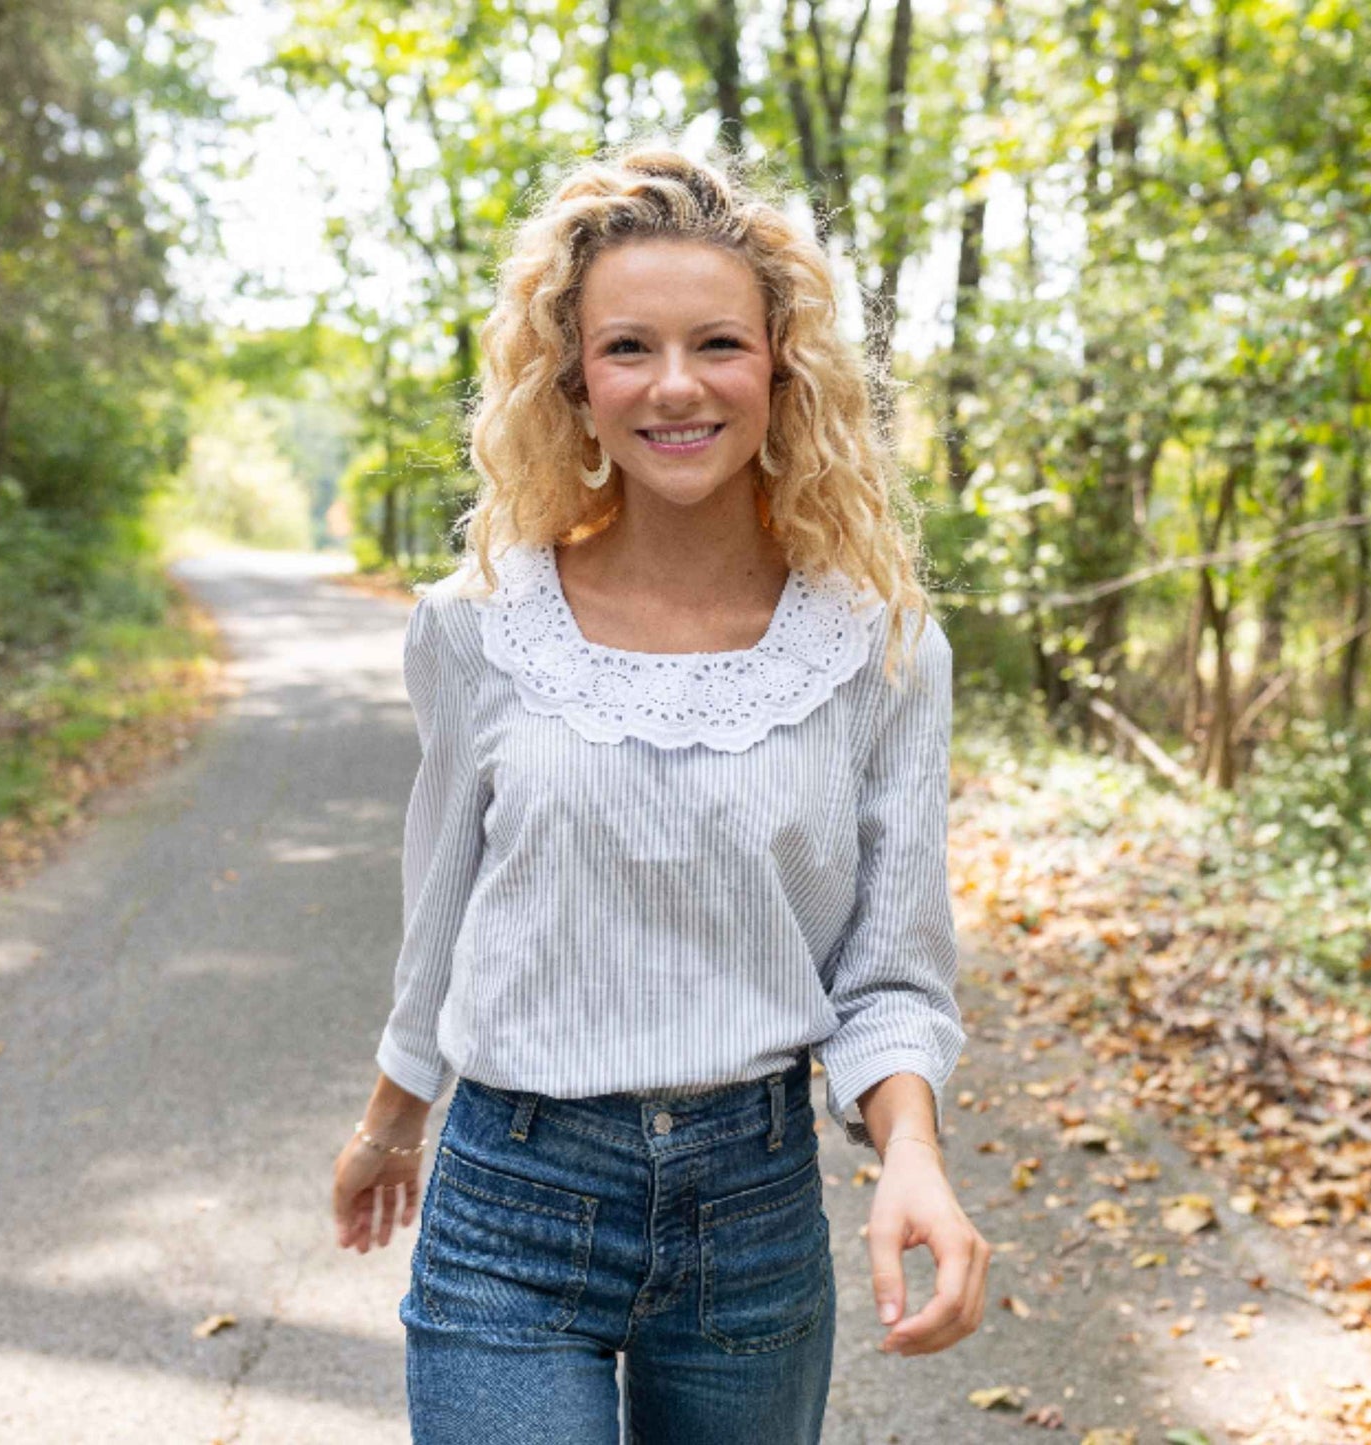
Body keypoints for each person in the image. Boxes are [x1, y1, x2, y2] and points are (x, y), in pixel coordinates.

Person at [331, 141, 989, 1445]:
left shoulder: (882, 649)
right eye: (628, 347)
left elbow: (891, 974)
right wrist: (391, 1121)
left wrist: (911, 1153)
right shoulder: (477, 626)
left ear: (782, 370)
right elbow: (445, 906)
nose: (675, 384)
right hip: (510, 1204)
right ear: (573, 382)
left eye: (718, 344)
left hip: (753, 1215)